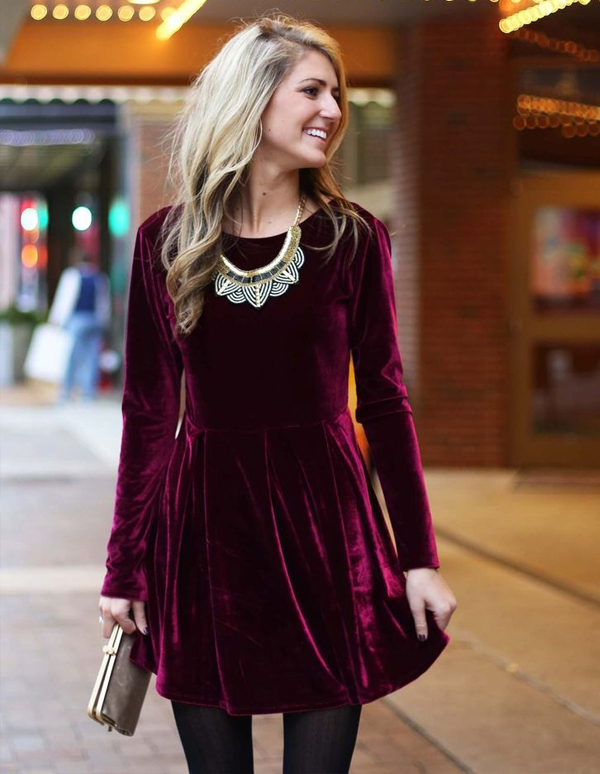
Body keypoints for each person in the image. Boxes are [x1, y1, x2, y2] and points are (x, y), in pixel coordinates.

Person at [98, 13, 457, 774]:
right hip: (201, 535)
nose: (332, 110)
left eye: (338, 94)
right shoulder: (167, 240)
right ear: (254, 99)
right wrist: (123, 571)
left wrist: (417, 558)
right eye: (313, 90)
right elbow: (149, 416)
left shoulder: (352, 238)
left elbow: (386, 402)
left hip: (328, 534)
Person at [49, 247, 110, 402]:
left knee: (70, 356)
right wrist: (104, 321)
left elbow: (63, 299)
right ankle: (88, 392)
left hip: (76, 320)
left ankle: (66, 391)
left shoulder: (71, 276)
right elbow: (104, 302)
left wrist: (55, 319)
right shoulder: (99, 277)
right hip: (94, 320)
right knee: (91, 357)